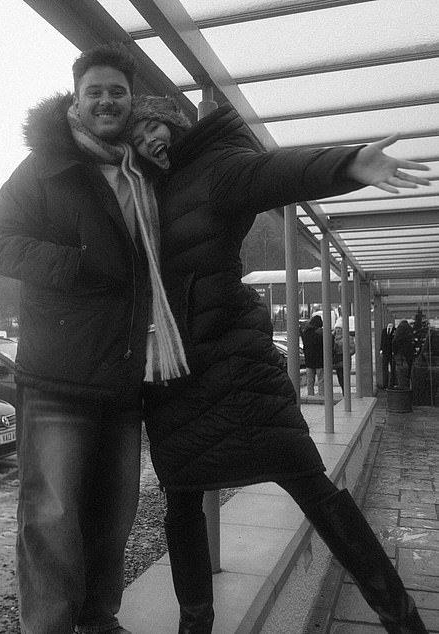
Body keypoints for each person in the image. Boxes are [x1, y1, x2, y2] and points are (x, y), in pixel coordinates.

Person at [128, 94, 430, 633]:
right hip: (175, 374)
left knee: (313, 489)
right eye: (137, 134)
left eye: (157, 126)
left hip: (236, 365)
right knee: (181, 503)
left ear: (178, 126)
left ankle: (401, 618)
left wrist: (347, 163)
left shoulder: (216, 169)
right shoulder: (145, 189)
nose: (149, 139)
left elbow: (274, 173)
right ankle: (194, 623)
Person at [0, 44, 190, 634]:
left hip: (124, 379)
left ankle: (99, 619)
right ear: (76, 99)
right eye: (94, 91)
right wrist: (75, 263)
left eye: (117, 91)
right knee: (50, 517)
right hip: (57, 378)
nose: (106, 100)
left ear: (131, 100)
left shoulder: (147, 162)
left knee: (113, 517)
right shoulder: (47, 165)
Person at [301, 314, 325, 396]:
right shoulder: (320, 334)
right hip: (320, 360)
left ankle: (310, 395)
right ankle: (322, 396)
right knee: (321, 380)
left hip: (309, 361)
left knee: (310, 381)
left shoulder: (305, 333)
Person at [332, 319, 355, 394]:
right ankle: (344, 393)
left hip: (345, 360)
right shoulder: (333, 337)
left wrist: (345, 353)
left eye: (340, 328)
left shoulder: (348, 338)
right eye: (337, 328)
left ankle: (346, 394)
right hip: (337, 361)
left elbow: (353, 349)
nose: (338, 330)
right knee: (340, 379)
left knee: (344, 379)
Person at [392, 319, 415, 389]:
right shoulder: (409, 329)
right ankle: (407, 387)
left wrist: (394, 353)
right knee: (407, 371)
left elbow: (394, 342)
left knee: (400, 371)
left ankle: (402, 387)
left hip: (400, 354)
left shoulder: (399, 330)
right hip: (408, 354)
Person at [381, 323, 396, 388]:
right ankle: (385, 384)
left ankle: (392, 384)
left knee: (393, 368)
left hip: (392, 353)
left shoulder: (395, 330)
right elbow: (382, 341)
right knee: (384, 368)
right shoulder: (384, 331)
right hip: (385, 352)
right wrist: (381, 349)